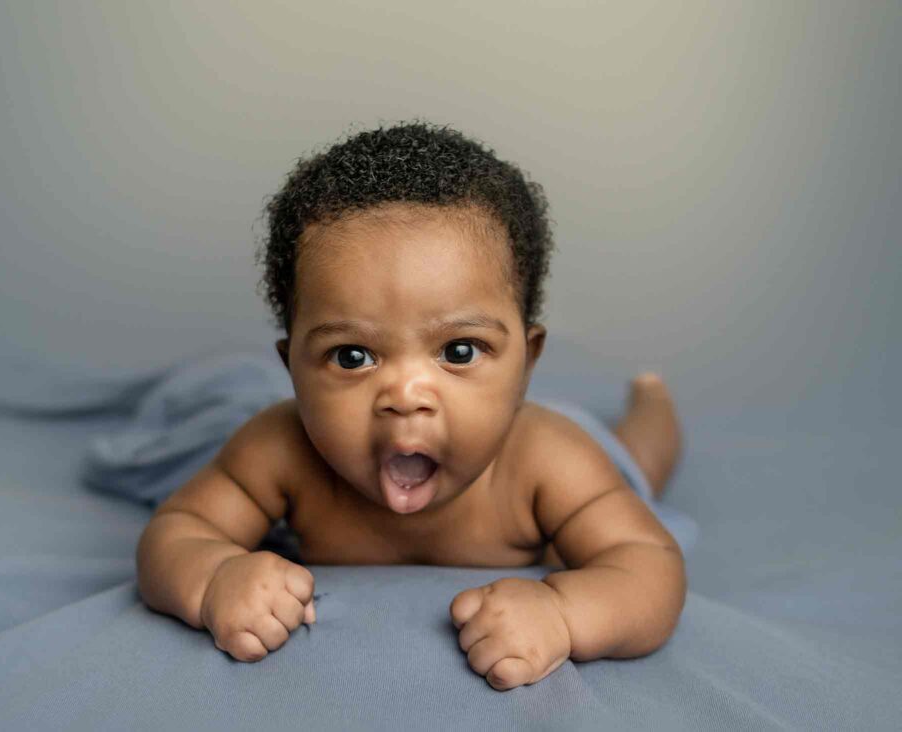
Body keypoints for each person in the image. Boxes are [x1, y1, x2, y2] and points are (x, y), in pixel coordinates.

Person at [135, 121, 686, 691]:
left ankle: (652, 398)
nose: (405, 398)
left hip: (572, 450)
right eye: (352, 356)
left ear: (526, 361)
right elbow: (177, 531)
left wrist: (565, 613)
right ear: (292, 368)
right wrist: (214, 578)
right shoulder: (280, 449)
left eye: (459, 351)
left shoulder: (549, 461)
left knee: (638, 459)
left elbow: (649, 567)